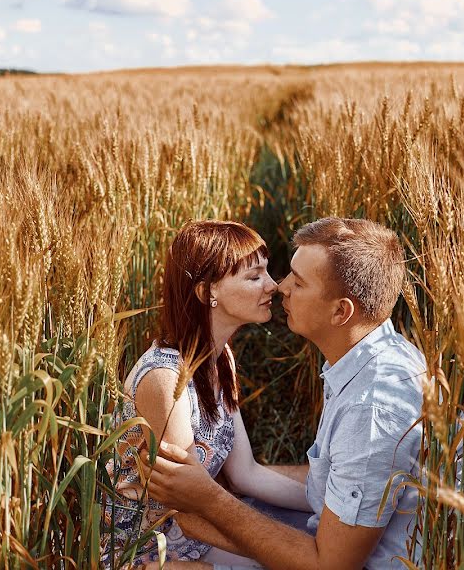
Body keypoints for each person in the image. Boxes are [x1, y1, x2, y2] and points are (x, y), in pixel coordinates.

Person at [146, 217, 426, 570]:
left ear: (341, 311)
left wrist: (212, 500)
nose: (280, 287)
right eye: (257, 275)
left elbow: (329, 564)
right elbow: (245, 479)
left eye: (299, 281)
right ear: (208, 292)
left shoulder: (372, 408)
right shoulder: (370, 358)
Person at [101, 220, 313, 569]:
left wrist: (326, 505)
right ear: (207, 292)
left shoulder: (222, 359)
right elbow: (187, 509)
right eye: (254, 276)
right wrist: (287, 550)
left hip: (194, 540)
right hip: (145, 550)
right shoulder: (164, 379)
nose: (273, 285)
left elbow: (246, 473)